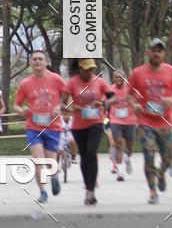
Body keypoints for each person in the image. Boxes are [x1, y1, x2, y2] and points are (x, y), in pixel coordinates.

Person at [128, 38, 172, 204]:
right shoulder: (138, 73)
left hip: (166, 122)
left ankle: (161, 174)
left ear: (164, 53)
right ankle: (153, 191)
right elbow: (129, 94)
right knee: (148, 155)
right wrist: (135, 105)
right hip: (146, 121)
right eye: (153, 50)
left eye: (159, 50)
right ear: (148, 52)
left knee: (167, 158)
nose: (156, 53)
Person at [14, 50, 66, 203]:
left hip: (53, 126)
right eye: (34, 59)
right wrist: (21, 111)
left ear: (46, 62)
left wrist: (60, 106)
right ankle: (43, 192)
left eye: (40, 59)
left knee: (51, 162)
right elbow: (16, 105)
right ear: (30, 62)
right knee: (37, 160)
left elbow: (68, 97)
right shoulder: (25, 83)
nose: (37, 61)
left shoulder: (56, 79)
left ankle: (54, 177)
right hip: (33, 126)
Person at [63, 59, 112, 205]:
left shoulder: (100, 82)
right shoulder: (73, 82)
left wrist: (103, 103)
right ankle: (88, 190)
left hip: (96, 122)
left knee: (91, 153)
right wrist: (74, 109)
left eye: (92, 69)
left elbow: (113, 98)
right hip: (78, 125)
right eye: (86, 69)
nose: (89, 72)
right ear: (80, 69)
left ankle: (91, 190)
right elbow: (62, 102)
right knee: (84, 156)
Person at [108, 69, 136, 181]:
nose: (118, 79)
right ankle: (121, 172)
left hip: (130, 121)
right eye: (116, 77)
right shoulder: (110, 90)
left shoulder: (131, 88)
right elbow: (104, 102)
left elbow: (137, 101)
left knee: (130, 147)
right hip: (116, 120)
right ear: (113, 79)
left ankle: (127, 158)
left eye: (121, 77)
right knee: (118, 143)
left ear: (125, 77)